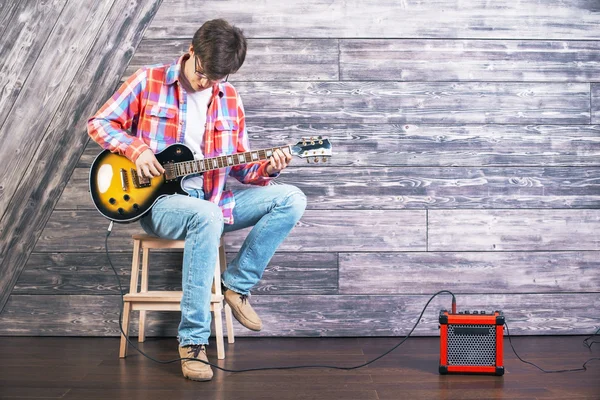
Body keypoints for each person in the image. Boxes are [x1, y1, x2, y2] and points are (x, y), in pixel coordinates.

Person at [87, 18, 307, 381]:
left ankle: (235, 286)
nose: (205, 82)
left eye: (215, 79)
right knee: (206, 216)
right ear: (191, 52)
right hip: (161, 204)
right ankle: (192, 343)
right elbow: (99, 123)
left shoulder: (230, 99)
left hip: (216, 200)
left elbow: (243, 169)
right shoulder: (149, 80)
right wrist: (137, 149)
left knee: (291, 199)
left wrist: (268, 168)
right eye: (203, 72)